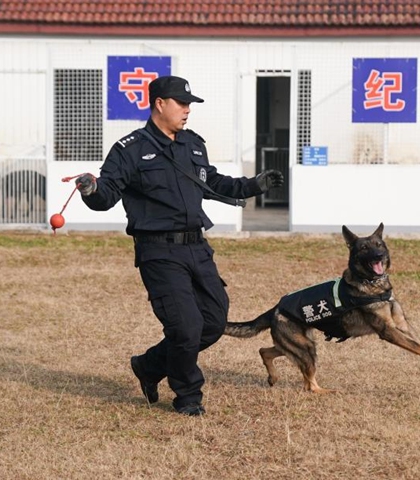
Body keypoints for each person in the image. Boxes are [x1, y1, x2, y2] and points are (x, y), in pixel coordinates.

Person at [75, 75, 283, 416]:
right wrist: (90, 189)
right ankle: (188, 396)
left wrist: (252, 185)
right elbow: (107, 194)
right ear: (160, 104)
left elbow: (212, 181)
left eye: (189, 104)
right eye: (182, 104)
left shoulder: (193, 145)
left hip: (196, 248)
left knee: (214, 322)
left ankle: (149, 366)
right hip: (158, 252)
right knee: (185, 328)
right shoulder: (129, 149)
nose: (187, 110)